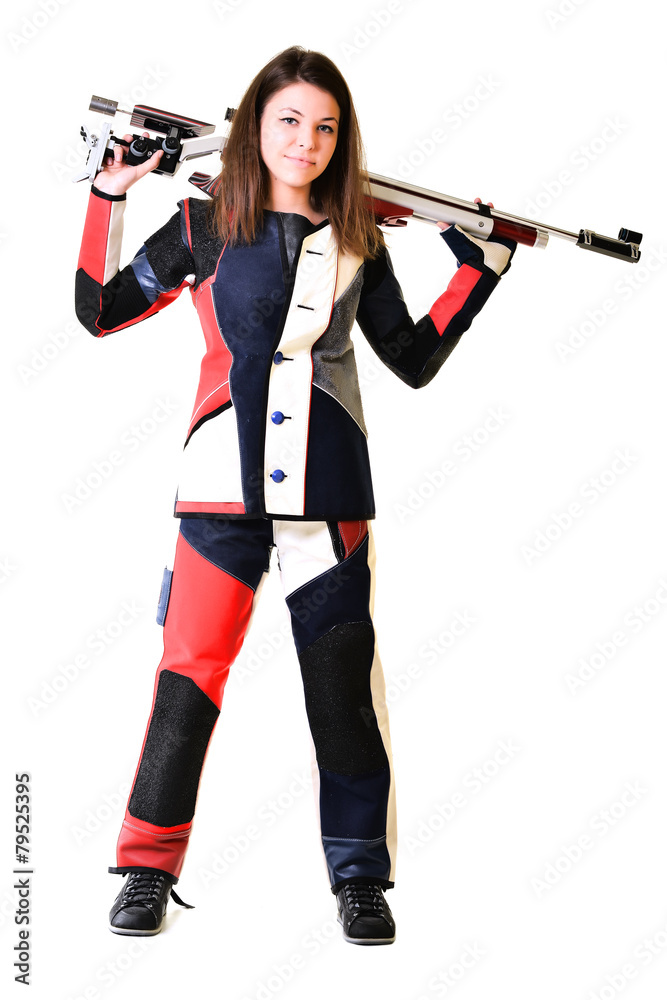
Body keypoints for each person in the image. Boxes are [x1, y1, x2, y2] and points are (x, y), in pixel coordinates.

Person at [74, 45, 516, 945]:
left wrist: (480, 269)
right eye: (288, 121)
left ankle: (360, 879)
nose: (305, 142)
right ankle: (146, 868)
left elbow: (413, 358)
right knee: (186, 684)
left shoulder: (360, 237)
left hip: (330, 498)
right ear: (254, 125)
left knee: (342, 692)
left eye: (325, 128)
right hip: (216, 495)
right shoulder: (203, 224)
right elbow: (100, 310)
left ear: (340, 140)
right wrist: (107, 195)